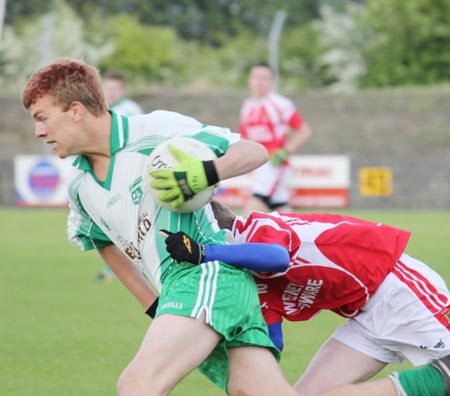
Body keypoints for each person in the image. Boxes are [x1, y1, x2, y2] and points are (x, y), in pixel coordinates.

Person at [22, 58, 299, 396]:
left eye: (42, 118)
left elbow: (253, 151)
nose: (38, 131)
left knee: (137, 386)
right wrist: (152, 304)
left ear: (76, 110)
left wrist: (206, 173)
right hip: (179, 292)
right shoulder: (80, 187)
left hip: (207, 273)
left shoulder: (155, 131)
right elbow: (102, 243)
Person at [162, 200, 450, 396]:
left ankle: (435, 380)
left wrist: (204, 253)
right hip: (364, 318)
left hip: (399, 290)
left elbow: (277, 257)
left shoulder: (258, 227)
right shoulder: (246, 278)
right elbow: (271, 343)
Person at [239, 62, 312, 215]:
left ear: (271, 82)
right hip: (258, 165)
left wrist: (285, 151)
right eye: (256, 77)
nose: (260, 82)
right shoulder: (247, 106)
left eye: (264, 78)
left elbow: (304, 131)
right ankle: (297, 237)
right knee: (281, 209)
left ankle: (240, 238)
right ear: (250, 80)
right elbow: (244, 136)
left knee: (253, 206)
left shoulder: (281, 104)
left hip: (273, 165)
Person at [98, 72, 145, 281]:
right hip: (110, 173)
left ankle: (133, 263)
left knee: (130, 218)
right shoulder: (99, 111)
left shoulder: (130, 110)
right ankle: (121, 263)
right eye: (107, 89)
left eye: (115, 89)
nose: (111, 93)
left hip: (129, 172)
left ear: (122, 90)